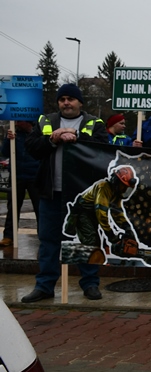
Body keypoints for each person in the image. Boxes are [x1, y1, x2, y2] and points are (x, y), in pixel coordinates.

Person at [22, 84, 107, 302]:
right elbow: (32, 148)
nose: (66, 103)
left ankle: (90, 284)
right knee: (48, 241)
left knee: (85, 239)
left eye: (70, 99)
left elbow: (102, 150)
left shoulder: (94, 123)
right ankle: (44, 286)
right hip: (51, 193)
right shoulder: (45, 121)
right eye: (62, 99)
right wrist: (52, 140)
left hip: (82, 195)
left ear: (80, 102)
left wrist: (77, 137)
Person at [65, 166, 138, 252]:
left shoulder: (116, 194)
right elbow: (101, 214)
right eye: (123, 186)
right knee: (92, 242)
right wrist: (111, 235)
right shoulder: (103, 187)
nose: (124, 190)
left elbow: (117, 213)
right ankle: (80, 256)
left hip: (93, 215)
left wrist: (127, 228)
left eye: (126, 188)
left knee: (97, 243)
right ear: (116, 181)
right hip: (83, 212)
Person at [0, 121, 40, 247]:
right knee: (13, 208)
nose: (16, 122)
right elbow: (5, 152)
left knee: (40, 208)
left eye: (19, 120)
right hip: (17, 175)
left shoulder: (38, 133)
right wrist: (8, 139)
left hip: (35, 176)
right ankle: (9, 236)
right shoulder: (14, 134)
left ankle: (43, 235)